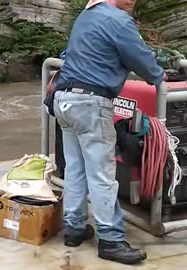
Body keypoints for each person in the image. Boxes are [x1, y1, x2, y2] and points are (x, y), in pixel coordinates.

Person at [52, 0, 166, 265]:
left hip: (64, 99)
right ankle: (111, 240)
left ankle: (74, 228)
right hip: (91, 104)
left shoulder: (87, 15)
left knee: (76, 168)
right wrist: (159, 75)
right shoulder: (118, 20)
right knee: (102, 174)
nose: (132, 2)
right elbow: (144, 63)